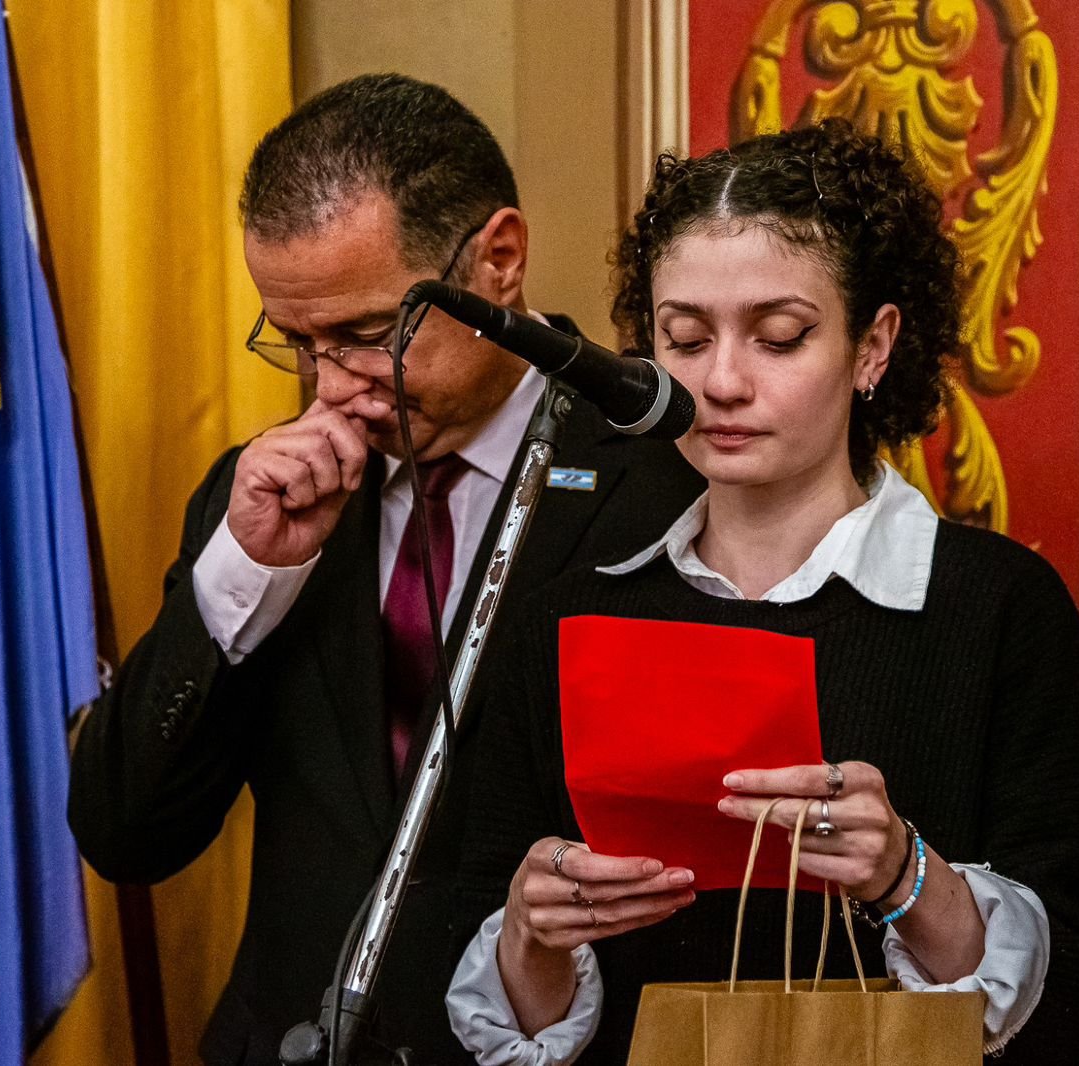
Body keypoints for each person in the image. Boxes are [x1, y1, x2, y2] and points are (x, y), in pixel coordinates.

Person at [447, 119, 1079, 1064]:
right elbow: (496, 1021)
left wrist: (904, 875)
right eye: (685, 339)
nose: (723, 381)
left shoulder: (999, 609)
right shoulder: (566, 617)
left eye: (779, 338)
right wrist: (533, 935)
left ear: (873, 346)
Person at [67, 73, 703, 1065]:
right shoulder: (259, 495)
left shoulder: (668, 483)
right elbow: (125, 832)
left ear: (498, 259)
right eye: (298, 344)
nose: (332, 386)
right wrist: (243, 575)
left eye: (368, 337)